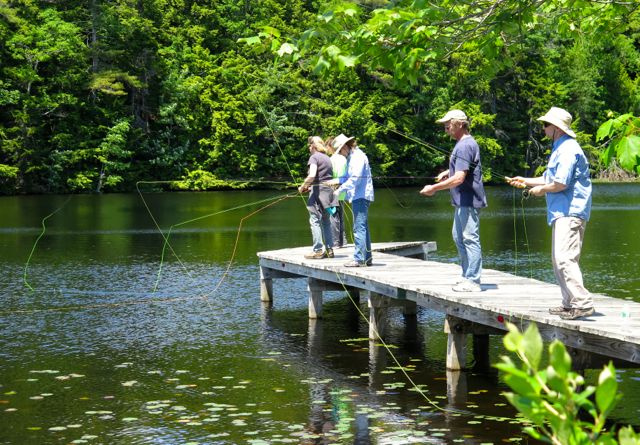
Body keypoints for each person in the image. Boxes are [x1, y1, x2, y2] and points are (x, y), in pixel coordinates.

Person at [507, 107, 594, 320]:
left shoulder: (567, 149)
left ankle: (582, 303)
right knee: (558, 259)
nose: (543, 128)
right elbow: (549, 177)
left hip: (570, 211)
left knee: (565, 258)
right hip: (561, 211)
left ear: (556, 128)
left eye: (545, 125)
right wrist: (525, 181)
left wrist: (540, 190)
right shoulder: (559, 147)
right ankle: (569, 303)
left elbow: (560, 183)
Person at [420, 109, 487, 292]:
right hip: (461, 201)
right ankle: (467, 275)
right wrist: (446, 172)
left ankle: (473, 281)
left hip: (469, 200)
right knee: (459, 237)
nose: (445, 128)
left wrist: (433, 188)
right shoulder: (462, 144)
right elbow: (460, 170)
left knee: (470, 239)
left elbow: (459, 178)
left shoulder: (465, 145)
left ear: (459, 124)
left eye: (447, 124)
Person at [333, 134, 374, 267]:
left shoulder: (357, 157)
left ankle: (359, 259)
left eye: (340, 151)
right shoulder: (352, 157)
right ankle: (367, 258)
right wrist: (333, 181)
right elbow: (346, 176)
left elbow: (355, 179)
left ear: (345, 146)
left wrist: (340, 190)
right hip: (358, 196)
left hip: (361, 196)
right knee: (363, 227)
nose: (341, 154)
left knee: (359, 228)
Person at [298, 136, 337, 259]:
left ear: (313, 146)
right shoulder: (327, 158)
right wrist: (310, 187)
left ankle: (318, 250)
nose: (309, 148)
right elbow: (325, 178)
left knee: (314, 220)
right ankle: (330, 249)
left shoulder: (314, 157)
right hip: (328, 192)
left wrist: (303, 186)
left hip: (317, 193)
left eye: (310, 145)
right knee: (326, 220)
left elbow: (312, 175)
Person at [326, 136, 348, 248]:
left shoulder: (331, 160)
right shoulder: (344, 159)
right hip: (343, 189)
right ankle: (343, 241)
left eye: (327, 147)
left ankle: (335, 242)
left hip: (333, 190)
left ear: (331, 147)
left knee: (333, 214)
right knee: (340, 213)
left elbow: (329, 177)